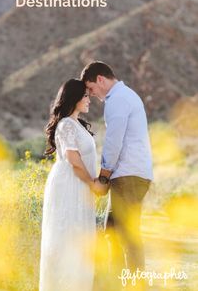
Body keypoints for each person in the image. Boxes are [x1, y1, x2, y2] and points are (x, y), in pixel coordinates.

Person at [80, 61, 153, 280]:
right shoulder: (125, 95)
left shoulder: (117, 100)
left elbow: (114, 142)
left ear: (100, 79)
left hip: (129, 176)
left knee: (125, 234)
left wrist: (103, 176)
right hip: (132, 174)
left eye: (91, 89)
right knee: (113, 231)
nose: (91, 95)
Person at [39, 78, 99, 291]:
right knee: (67, 238)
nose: (88, 99)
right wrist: (93, 184)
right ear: (73, 98)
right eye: (84, 95)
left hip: (79, 186)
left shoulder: (76, 124)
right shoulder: (65, 125)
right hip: (69, 187)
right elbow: (73, 161)